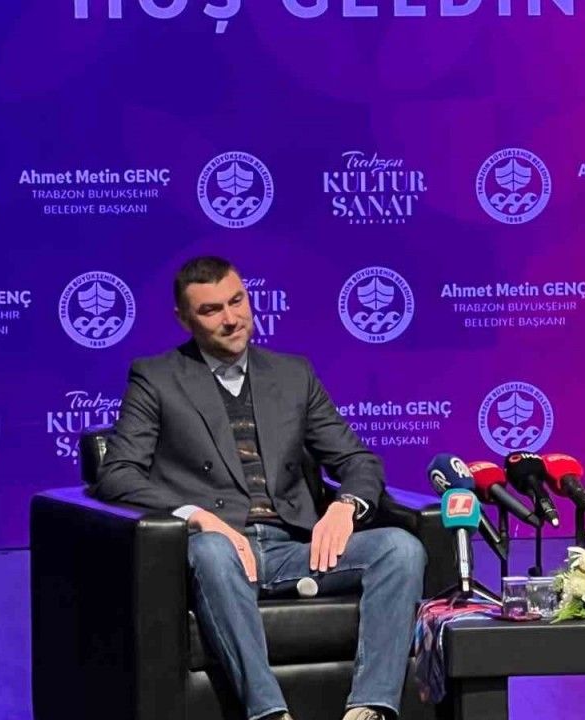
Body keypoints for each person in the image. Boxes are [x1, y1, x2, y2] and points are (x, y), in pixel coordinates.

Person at [95, 256, 424, 720]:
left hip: (295, 547)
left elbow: (357, 460)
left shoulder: (292, 374)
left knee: (399, 548)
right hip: (219, 551)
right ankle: (269, 713)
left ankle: (369, 708)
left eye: (237, 301)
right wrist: (198, 517)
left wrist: (344, 507)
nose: (231, 319)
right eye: (211, 310)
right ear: (184, 319)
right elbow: (118, 472)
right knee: (211, 550)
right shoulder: (156, 378)